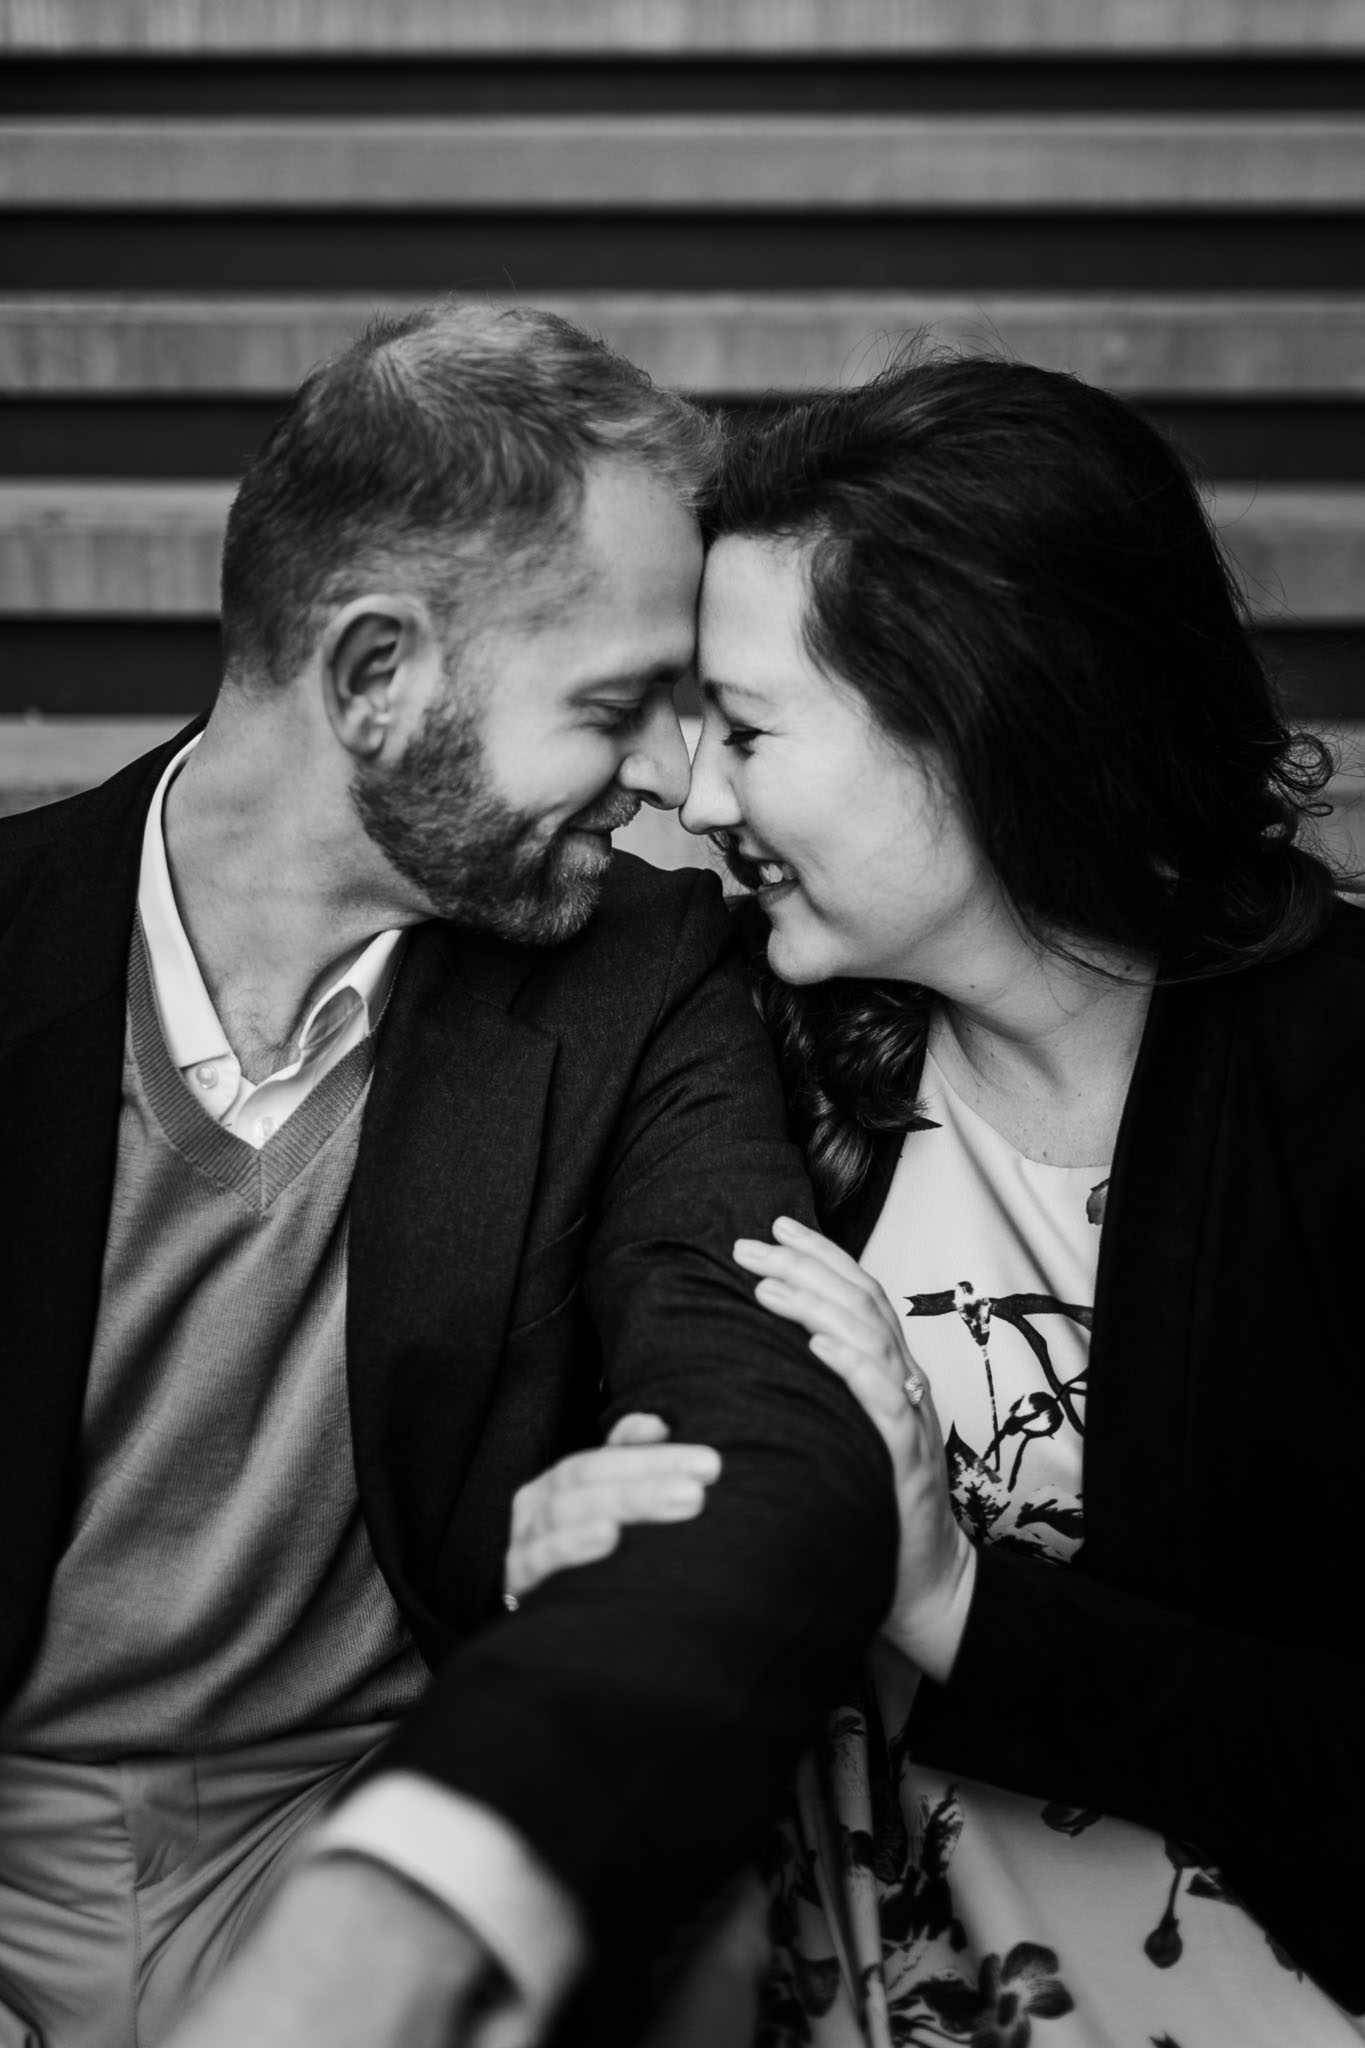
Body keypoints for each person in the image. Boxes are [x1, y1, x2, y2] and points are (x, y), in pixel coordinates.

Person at [0, 302, 898, 2048]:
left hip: (367, 1818)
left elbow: (771, 1429)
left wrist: (429, 1872)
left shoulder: (641, 969)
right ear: (374, 676)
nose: (674, 782)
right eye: (620, 705)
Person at [505, 354, 1365, 2045]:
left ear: (983, 722)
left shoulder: (1333, 1081)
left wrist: (949, 1595)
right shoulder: (733, 1042)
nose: (698, 800)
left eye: (749, 729)